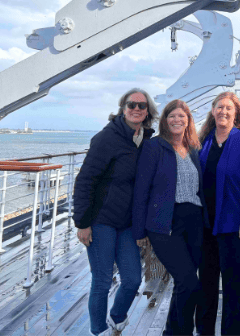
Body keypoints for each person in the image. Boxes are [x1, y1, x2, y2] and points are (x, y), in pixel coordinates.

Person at [73, 88, 158, 336]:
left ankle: (117, 318)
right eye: (131, 104)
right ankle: (98, 330)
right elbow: (85, 180)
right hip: (100, 220)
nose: (136, 109)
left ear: (147, 112)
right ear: (123, 108)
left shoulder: (145, 141)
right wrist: (82, 222)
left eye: (142, 106)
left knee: (132, 280)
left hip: (126, 223)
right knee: (101, 281)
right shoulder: (107, 138)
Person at [132, 100, 208, 336]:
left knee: (183, 284)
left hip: (194, 222)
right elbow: (141, 190)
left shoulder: (194, 148)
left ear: (188, 121)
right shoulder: (154, 147)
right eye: (172, 116)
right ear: (165, 120)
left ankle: (171, 332)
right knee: (189, 283)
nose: (177, 120)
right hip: (165, 223)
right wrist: (139, 232)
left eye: (182, 117)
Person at [196, 92, 240, 336]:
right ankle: (204, 332)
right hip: (206, 226)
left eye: (229, 108)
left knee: (234, 287)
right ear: (213, 111)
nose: (223, 112)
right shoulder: (205, 140)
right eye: (219, 107)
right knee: (206, 284)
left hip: (233, 227)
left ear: (236, 114)